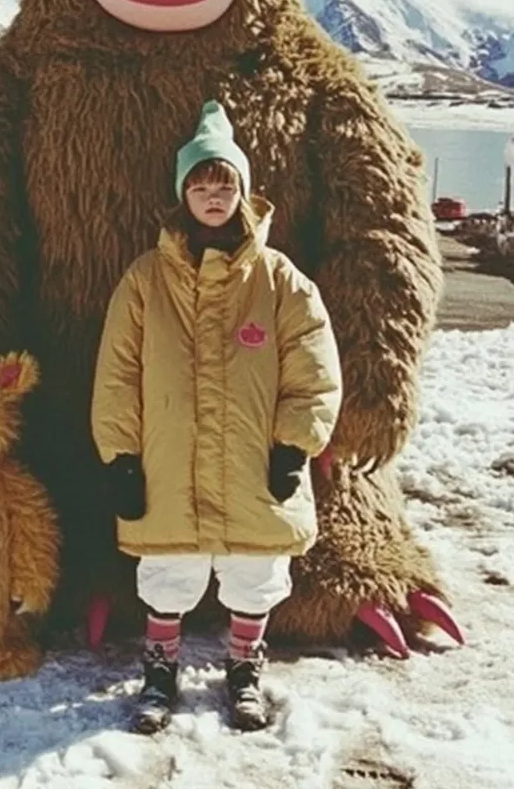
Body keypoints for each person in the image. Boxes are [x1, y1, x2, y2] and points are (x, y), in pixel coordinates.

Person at [91, 100, 343, 734]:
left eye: (223, 183)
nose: (212, 195)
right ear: (183, 193)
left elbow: (315, 369)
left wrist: (294, 445)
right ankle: (160, 672)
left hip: (256, 461)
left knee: (255, 572)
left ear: (243, 191)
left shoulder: (281, 280)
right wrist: (121, 454)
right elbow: (117, 374)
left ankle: (244, 669)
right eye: (200, 184)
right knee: (168, 572)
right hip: (167, 459)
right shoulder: (146, 280)